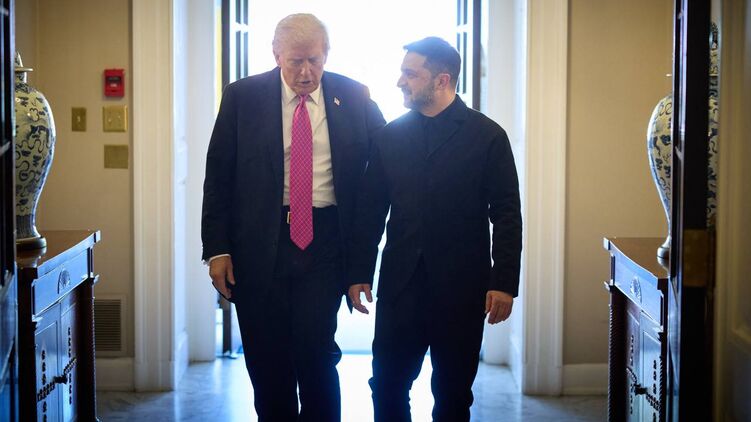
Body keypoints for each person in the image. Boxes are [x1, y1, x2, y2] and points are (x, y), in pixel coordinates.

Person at [201, 13, 385, 422]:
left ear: (326, 55)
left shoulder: (353, 96)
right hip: (258, 244)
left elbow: (391, 152)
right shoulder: (242, 97)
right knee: (267, 362)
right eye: (295, 61)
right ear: (276, 55)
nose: (306, 73)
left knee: (316, 353)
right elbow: (218, 177)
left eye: (314, 61)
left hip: (324, 242)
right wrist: (217, 249)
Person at [347, 36, 522, 422]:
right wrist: (358, 272)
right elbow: (370, 212)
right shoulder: (389, 136)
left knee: (453, 393)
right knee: (387, 384)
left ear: (442, 80)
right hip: (400, 286)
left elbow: (507, 214)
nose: (400, 81)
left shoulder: (488, 136)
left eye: (410, 74)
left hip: (463, 287)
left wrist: (504, 282)